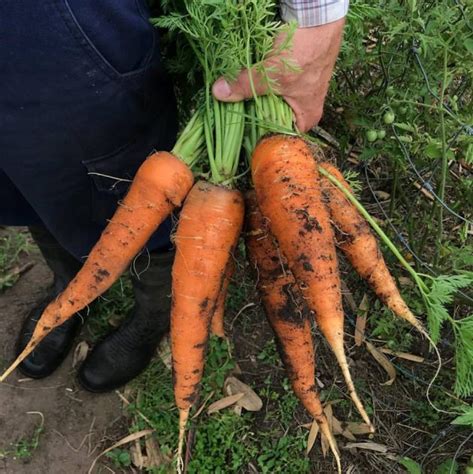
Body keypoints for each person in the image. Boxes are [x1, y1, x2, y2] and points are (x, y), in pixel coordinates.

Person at [0, 0, 347, 392]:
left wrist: (317, 16)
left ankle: (152, 316)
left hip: (62, 28)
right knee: (21, 182)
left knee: (133, 188)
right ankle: (70, 288)